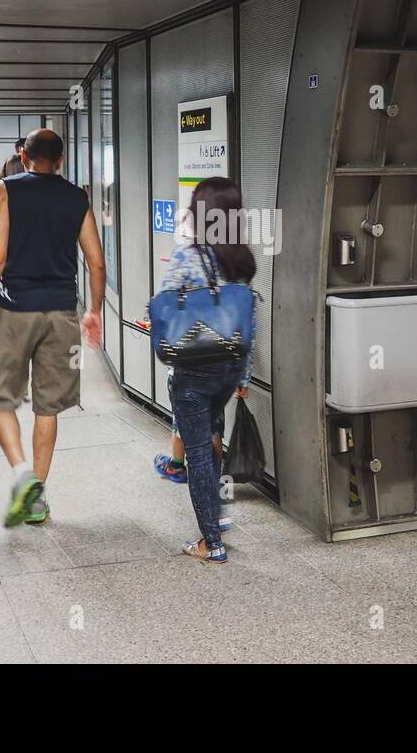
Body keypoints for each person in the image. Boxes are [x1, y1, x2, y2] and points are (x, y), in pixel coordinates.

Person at [0, 128, 103, 528]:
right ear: (60, 160)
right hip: (61, 313)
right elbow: (96, 262)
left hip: (14, 310)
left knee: (2, 399)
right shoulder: (77, 198)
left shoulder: (7, 190)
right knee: (48, 406)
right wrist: (93, 310)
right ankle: (38, 497)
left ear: (24, 156)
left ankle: (23, 476)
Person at [155, 177, 256, 564]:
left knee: (197, 451)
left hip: (194, 369)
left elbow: (165, 304)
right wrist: (243, 376)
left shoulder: (188, 257)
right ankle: (217, 513)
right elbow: (250, 321)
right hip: (229, 368)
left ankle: (210, 543)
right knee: (212, 435)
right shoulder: (241, 259)